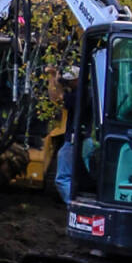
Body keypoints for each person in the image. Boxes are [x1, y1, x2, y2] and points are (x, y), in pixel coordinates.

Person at [50, 65, 81, 204]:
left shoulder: (77, 96)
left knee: (62, 179)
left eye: (69, 81)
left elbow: (56, 98)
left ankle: (73, 206)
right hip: (83, 138)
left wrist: (52, 77)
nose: (67, 83)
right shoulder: (85, 92)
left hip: (74, 139)